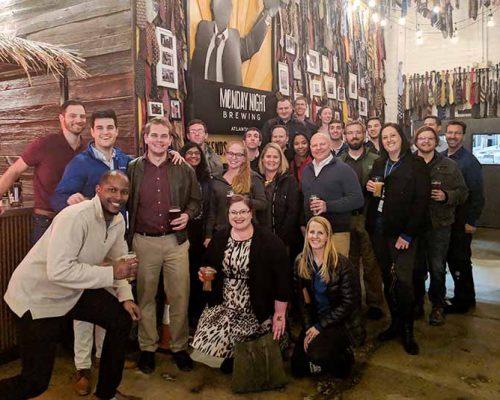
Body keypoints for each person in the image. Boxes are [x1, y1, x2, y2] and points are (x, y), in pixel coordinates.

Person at [0, 171, 141, 400]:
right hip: (37, 299)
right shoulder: (75, 217)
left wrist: (125, 296)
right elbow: (59, 271)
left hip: (71, 292)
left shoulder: (116, 220)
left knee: (120, 319)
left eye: (124, 191)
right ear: (98, 190)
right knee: (34, 383)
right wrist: (111, 271)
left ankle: (105, 395)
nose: (118, 196)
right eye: (111, 190)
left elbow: (120, 259)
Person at [50, 109, 133, 395]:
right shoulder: (80, 162)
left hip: (114, 240)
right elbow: (58, 196)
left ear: (117, 130)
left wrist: (177, 155)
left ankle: (103, 358)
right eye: (100, 128)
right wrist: (69, 199)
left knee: (109, 306)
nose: (106, 132)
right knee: (85, 313)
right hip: (86, 250)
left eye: (111, 127)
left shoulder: (125, 160)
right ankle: (82, 368)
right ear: (93, 132)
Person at [127, 117, 202, 373]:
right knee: (146, 296)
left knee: (180, 295)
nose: (159, 140)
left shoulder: (184, 169)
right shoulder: (133, 168)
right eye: (154, 135)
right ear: (146, 138)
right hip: (143, 241)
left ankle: (179, 348)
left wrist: (188, 215)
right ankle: (147, 348)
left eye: (164, 136)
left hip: (175, 243)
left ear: (171, 140)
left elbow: (196, 201)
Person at [191, 195, 290, 372]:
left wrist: (280, 314)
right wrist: (202, 274)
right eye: (233, 212)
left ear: (251, 213)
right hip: (225, 303)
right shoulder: (220, 237)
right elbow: (207, 264)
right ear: (228, 214)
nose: (238, 216)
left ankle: (245, 355)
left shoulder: (269, 241)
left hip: (256, 305)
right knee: (205, 341)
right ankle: (236, 357)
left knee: (261, 353)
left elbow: (282, 280)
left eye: (243, 211)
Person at [365, 123, 430, 355]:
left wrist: (408, 234)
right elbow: (373, 194)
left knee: (403, 282)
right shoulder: (380, 163)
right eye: (385, 137)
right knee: (387, 279)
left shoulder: (416, 164)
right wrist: (369, 186)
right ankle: (394, 323)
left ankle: (407, 331)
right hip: (379, 231)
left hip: (401, 234)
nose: (389, 140)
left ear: (402, 138)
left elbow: (422, 202)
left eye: (393, 135)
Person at [0, 100, 86, 243]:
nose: (78, 120)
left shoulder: (88, 150)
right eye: (73, 116)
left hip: (77, 223)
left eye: (82, 116)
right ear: (61, 118)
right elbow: (14, 171)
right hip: (46, 222)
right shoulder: (44, 144)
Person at [291, 216, 359, 378]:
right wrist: (308, 329)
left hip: (338, 322)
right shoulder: (300, 262)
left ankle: (345, 355)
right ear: (306, 234)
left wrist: (320, 326)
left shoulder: (342, 264)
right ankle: (324, 358)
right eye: (311, 232)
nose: (315, 236)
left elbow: (349, 304)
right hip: (315, 321)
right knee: (298, 368)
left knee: (317, 356)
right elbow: (302, 301)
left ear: (328, 236)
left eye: (320, 233)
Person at [413, 126, 468, 325]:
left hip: (439, 224)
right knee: (416, 268)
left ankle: (437, 305)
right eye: (422, 138)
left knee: (437, 267)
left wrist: (446, 196)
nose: (426, 141)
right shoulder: (409, 164)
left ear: (437, 142)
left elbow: (463, 192)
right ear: (415, 141)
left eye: (430, 138)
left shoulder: (449, 165)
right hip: (414, 226)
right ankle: (417, 303)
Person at [338, 121, 385, 321]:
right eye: (350, 133)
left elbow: (385, 189)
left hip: (369, 217)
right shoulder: (338, 161)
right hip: (346, 218)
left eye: (358, 132)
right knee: (349, 263)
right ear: (345, 136)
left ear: (364, 135)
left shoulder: (377, 160)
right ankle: (353, 302)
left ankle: (374, 302)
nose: (354, 136)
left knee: (371, 262)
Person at [442, 120, 485, 314]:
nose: (452, 136)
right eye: (449, 133)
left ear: (463, 135)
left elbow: (477, 195)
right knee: (452, 259)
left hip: (461, 220)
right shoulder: (441, 157)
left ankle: (464, 301)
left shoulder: (469, 162)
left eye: (456, 133)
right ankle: (465, 296)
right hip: (447, 219)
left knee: (461, 260)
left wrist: (471, 221)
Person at [301, 132, 364, 257]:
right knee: (316, 273)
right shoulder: (307, 170)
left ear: (330, 145)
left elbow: (357, 199)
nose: (318, 148)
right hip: (313, 235)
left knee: (336, 272)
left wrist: (327, 206)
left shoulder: (344, 169)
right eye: (314, 145)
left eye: (322, 144)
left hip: (337, 233)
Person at [190, 0, 279, 85]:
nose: (224, 9)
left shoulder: (234, 39)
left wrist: (268, 13)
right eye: (220, 4)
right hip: (201, 97)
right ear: (212, 7)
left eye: (228, 5)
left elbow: (252, 44)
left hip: (228, 99)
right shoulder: (204, 29)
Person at [204, 140, 267, 244]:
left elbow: (263, 203)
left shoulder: (253, 178)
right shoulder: (216, 179)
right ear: (226, 154)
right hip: (220, 232)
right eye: (231, 153)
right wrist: (208, 235)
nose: (234, 158)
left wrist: (243, 201)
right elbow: (212, 210)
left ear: (244, 158)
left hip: (245, 233)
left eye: (238, 155)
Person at [180, 142, 213, 327]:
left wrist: (208, 233)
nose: (193, 156)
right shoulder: (179, 175)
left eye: (196, 153)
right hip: (184, 230)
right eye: (189, 153)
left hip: (201, 231)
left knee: (199, 273)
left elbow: (210, 209)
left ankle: (198, 314)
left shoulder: (206, 179)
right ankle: (185, 314)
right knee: (184, 274)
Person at [259, 143, 300, 248]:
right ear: (262, 159)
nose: (271, 160)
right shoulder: (256, 180)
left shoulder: (289, 180)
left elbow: (293, 212)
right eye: (268, 156)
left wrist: (280, 239)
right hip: (260, 238)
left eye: (275, 157)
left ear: (281, 160)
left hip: (282, 240)